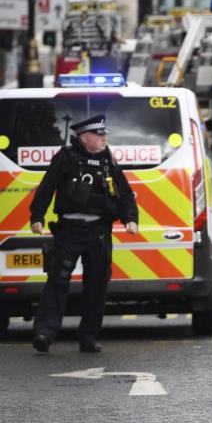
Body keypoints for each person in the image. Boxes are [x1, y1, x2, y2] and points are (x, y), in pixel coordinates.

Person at [30, 114, 139, 354]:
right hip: (69, 231)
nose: (104, 138)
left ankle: (88, 336)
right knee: (57, 280)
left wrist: (130, 219)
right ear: (85, 137)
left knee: (97, 284)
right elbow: (46, 187)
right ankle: (44, 333)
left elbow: (125, 194)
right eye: (100, 135)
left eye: (104, 135)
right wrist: (37, 216)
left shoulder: (108, 162)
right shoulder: (66, 159)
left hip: (98, 232)